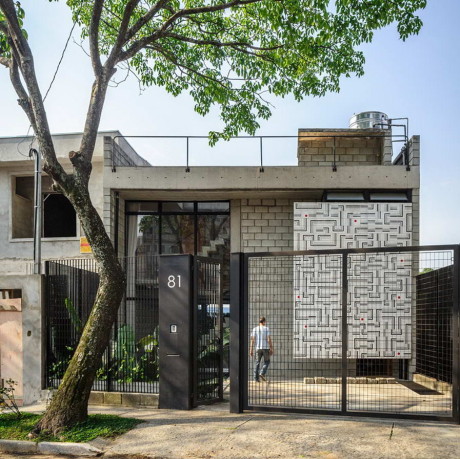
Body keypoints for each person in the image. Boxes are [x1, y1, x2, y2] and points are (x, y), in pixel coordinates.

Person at [250, 316, 274, 382]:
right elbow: (269, 339)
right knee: (267, 361)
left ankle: (256, 379)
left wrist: (251, 349)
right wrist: (271, 348)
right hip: (265, 348)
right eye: (265, 322)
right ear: (264, 322)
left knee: (257, 362)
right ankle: (262, 373)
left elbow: (252, 340)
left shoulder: (255, 329)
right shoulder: (266, 329)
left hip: (258, 348)